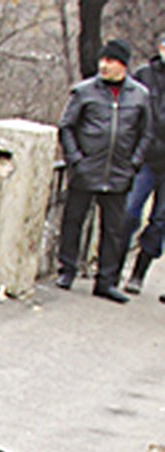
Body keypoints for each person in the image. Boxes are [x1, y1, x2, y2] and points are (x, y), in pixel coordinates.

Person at [56, 38, 151, 303]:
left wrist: (134, 162)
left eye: (110, 61)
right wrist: (75, 160)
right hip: (87, 168)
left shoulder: (139, 96)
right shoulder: (84, 92)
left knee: (114, 229)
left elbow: (146, 134)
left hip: (119, 172)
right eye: (103, 60)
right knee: (74, 220)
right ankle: (67, 269)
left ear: (123, 64)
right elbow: (67, 126)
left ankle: (107, 280)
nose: (104, 65)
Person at [120, 33, 165, 293]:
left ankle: (139, 272)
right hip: (145, 155)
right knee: (128, 212)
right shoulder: (143, 76)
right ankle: (113, 267)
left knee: (160, 221)